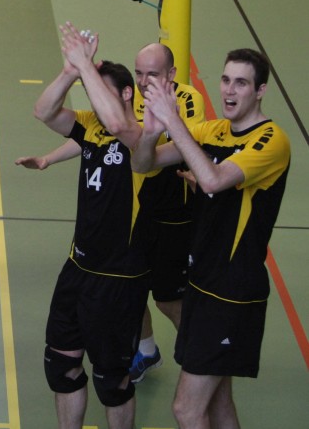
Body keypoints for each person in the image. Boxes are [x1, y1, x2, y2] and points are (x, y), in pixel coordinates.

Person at [132, 48, 290, 429]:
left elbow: (212, 180)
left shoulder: (271, 141)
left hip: (232, 292)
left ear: (260, 90)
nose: (229, 90)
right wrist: (153, 130)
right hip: (202, 283)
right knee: (218, 405)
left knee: (187, 409)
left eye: (241, 83)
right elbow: (143, 163)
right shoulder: (213, 131)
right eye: (225, 80)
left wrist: (174, 121)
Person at [33, 23, 152, 429]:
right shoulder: (89, 126)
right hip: (78, 268)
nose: (93, 100)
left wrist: (87, 66)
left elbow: (120, 126)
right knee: (60, 365)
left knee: (111, 381)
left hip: (119, 278)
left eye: (98, 89)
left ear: (126, 94)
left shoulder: (143, 133)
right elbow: (43, 111)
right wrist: (71, 71)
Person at [128, 42, 205, 382]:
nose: (143, 82)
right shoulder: (129, 96)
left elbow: (184, 144)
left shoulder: (188, 98)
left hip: (176, 218)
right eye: (138, 73)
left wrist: (149, 139)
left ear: (171, 74)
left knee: (168, 300)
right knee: (129, 288)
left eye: (152, 74)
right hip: (136, 211)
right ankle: (146, 351)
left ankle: (200, 360)